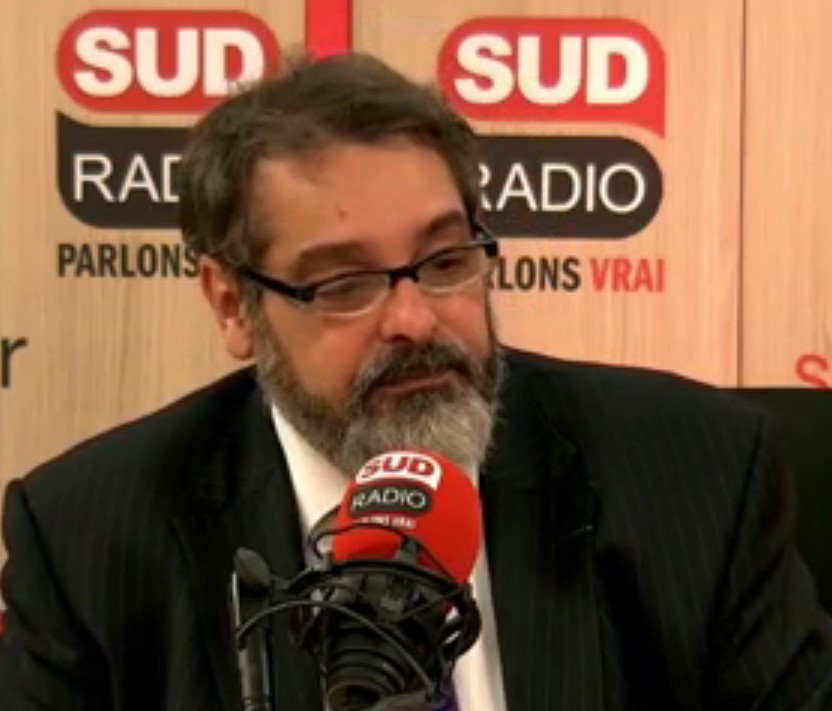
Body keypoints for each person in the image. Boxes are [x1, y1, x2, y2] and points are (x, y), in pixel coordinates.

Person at [0, 52, 830, 711]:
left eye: (443, 261)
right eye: (345, 283)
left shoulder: (695, 476)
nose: (415, 320)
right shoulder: (89, 540)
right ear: (232, 304)